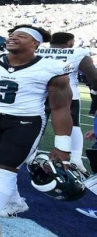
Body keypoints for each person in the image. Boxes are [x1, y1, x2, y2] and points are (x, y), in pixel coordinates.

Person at [0, 24, 75, 218]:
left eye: (21, 36)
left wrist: (63, 146)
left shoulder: (51, 67)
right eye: (12, 34)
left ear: (35, 43)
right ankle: (16, 202)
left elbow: (60, 108)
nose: (13, 37)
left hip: (26, 122)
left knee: (7, 170)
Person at [36, 31, 97, 171]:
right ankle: (75, 159)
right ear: (69, 42)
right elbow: (93, 76)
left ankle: (30, 154)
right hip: (68, 93)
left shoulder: (38, 51)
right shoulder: (78, 53)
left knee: (38, 121)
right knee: (74, 124)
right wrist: (94, 90)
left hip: (40, 92)